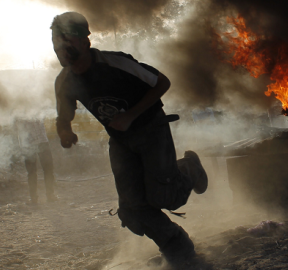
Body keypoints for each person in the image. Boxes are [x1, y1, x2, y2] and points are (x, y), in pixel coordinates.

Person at [50, 12, 208, 265]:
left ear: (84, 42)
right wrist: (64, 131)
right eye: (56, 42)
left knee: (163, 198)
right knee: (132, 209)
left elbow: (162, 82)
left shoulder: (115, 64)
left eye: (66, 40)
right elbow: (64, 115)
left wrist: (131, 116)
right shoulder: (65, 81)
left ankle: (189, 168)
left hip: (151, 130)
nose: (60, 48)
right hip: (121, 141)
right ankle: (179, 248)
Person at [15, 118, 56, 204]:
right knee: (32, 172)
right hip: (28, 143)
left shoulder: (36, 106)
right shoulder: (18, 110)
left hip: (42, 141)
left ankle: (50, 195)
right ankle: (34, 198)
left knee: (48, 169)